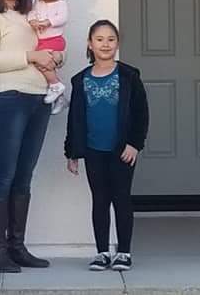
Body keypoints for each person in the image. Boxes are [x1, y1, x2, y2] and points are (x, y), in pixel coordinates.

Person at [0, 0, 57, 273]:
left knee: (24, 177)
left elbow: (44, 48)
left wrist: (54, 55)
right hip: (9, 99)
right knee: (5, 175)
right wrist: (31, 55)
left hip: (39, 100)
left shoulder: (30, 13)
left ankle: (17, 246)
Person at [64, 19, 149, 272]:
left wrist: (135, 144)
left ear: (118, 44)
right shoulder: (80, 80)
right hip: (93, 150)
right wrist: (72, 152)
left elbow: (141, 113)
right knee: (99, 199)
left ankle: (123, 252)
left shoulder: (129, 76)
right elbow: (74, 119)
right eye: (99, 39)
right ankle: (101, 252)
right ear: (90, 44)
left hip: (122, 151)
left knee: (121, 198)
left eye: (111, 39)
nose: (105, 44)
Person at [26, 0, 71, 114]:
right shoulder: (38, 4)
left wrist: (48, 22)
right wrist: (32, 21)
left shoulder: (60, 4)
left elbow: (62, 18)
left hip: (55, 40)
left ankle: (56, 85)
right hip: (43, 42)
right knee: (41, 63)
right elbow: (31, 14)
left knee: (42, 63)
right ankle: (60, 97)